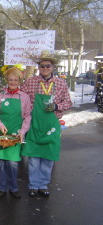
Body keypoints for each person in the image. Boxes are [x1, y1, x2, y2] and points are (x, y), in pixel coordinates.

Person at [21, 50, 72, 197]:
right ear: (39, 67)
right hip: (34, 125)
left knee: (48, 159)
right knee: (34, 159)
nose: (45, 68)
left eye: (48, 66)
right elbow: (21, 98)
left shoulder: (61, 84)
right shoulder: (30, 82)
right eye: (42, 66)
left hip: (51, 126)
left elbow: (68, 102)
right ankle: (33, 185)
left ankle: (43, 185)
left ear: (53, 67)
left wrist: (57, 107)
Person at [0, 66, 31, 199]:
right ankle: (1, 188)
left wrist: (23, 131)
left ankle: (13, 187)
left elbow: (28, 116)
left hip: (15, 134)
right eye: (10, 80)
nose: (13, 82)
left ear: (19, 81)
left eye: (16, 80)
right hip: (1, 134)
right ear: (7, 80)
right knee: (1, 161)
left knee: (12, 162)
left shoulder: (24, 97)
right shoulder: (0, 96)